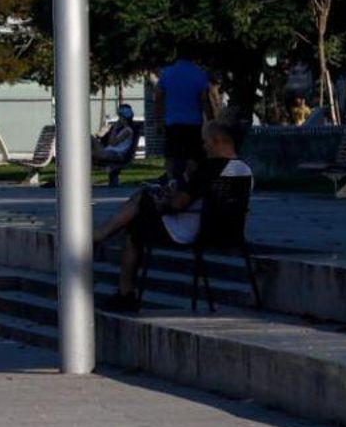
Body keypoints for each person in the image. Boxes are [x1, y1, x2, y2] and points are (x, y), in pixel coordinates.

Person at [93, 120, 251, 312]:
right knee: (140, 209)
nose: (204, 146)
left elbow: (178, 204)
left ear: (217, 141)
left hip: (190, 231)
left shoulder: (209, 169)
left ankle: (124, 289)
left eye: (206, 141)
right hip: (227, 232)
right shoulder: (245, 170)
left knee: (138, 213)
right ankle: (101, 237)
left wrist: (163, 201)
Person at [157, 56, 212, 184]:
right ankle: (190, 179)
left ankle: (171, 180)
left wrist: (158, 120)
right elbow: (205, 100)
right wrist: (210, 120)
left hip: (172, 121)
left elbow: (158, 97)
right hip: (193, 122)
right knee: (192, 154)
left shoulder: (167, 73)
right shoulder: (199, 73)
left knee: (171, 154)